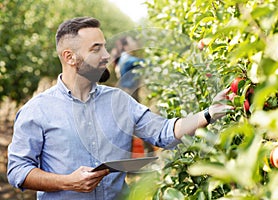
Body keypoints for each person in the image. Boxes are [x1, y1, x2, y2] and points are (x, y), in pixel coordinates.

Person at [7, 17, 233, 200]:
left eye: (105, 47)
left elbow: (163, 131)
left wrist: (207, 114)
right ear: (70, 57)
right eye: (96, 49)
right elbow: (18, 171)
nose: (107, 56)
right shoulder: (37, 110)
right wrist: (68, 182)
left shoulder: (119, 101)